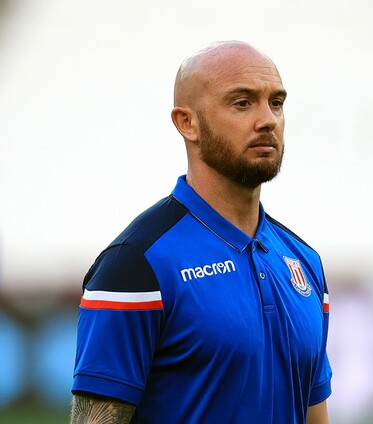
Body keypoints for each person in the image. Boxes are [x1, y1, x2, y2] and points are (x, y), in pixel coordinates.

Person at [70, 41, 332, 424]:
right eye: (242, 103)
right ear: (187, 123)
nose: (268, 120)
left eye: (276, 103)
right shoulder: (137, 265)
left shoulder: (304, 263)